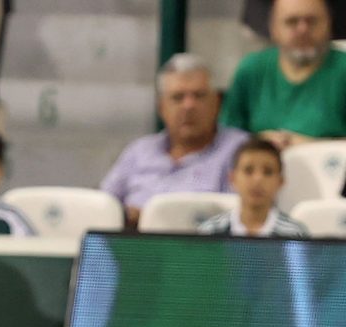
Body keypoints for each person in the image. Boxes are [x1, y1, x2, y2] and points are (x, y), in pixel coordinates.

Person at [101, 54, 249, 230]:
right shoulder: (139, 151)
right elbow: (103, 206)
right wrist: (125, 216)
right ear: (161, 108)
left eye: (199, 96)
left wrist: (150, 219)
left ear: (217, 103)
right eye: (178, 97)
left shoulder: (240, 150)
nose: (189, 106)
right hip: (131, 243)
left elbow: (244, 219)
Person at [222, 0, 346, 149]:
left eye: (311, 21)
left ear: (329, 24)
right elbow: (225, 137)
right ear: (273, 28)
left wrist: (310, 147)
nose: (302, 30)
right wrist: (259, 143)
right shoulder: (251, 69)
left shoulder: (342, 70)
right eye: (292, 22)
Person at [198, 136, 309, 237]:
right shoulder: (210, 232)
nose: (257, 179)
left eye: (268, 172)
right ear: (233, 179)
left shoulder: (295, 235)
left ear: (280, 182)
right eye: (248, 170)